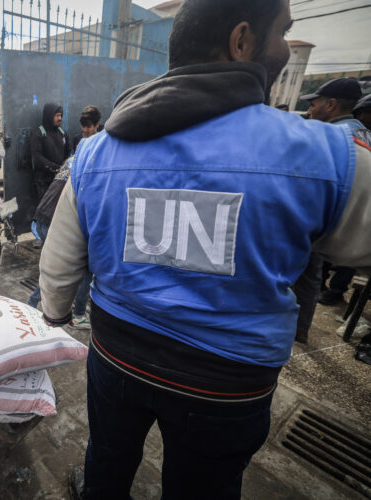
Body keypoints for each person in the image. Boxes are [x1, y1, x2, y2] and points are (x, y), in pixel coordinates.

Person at [37, 0, 371, 498]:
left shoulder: (96, 152)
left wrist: (57, 313)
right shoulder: (326, 156)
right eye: (283, 33)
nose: (285, 47)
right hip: (227, 382)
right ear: (242, 41)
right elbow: (355, 249)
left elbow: (61, 258)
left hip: (117, 357)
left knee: (108, 455)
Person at [301, 78, 368, 306]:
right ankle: (301, 328)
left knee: (305, 273)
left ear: (330, 104)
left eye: (314, 103)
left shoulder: (331, 137)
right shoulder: (362, 133)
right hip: (356, 230)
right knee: (312, 276)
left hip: (324, 219)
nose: (310, 110)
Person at [27, 159, 92, 329]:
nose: (86, 129)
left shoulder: (74, 159)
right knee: (83, 269)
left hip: (41, 216)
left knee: (55, 267)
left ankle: (31, 305)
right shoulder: (95, 163)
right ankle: (78, 315)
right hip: (54, 219)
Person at [31, 102, 72, 200]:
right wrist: (54, 168)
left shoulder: (63, 134)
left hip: (61, 178)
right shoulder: (39, 134)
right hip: (44, 181)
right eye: (57, 115)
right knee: (46, 209)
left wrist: (65, 168)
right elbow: (37, 157)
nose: (60, 118)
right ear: (49, 116)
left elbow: (70, 152)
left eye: (61, 115)